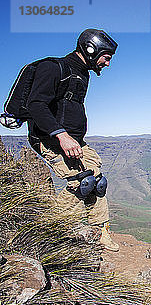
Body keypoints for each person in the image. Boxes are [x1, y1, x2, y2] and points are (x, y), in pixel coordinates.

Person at [26, 28, 119, 251]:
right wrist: (61, 135)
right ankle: (49, 231)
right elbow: (36, 105)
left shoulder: (81, 74)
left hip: (73, 140)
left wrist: (72, 137)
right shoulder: (53, 68)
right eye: (106, 57)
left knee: (97, 181)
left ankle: (101, 231)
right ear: (91, 49)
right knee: (82, 181)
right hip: (51, 139)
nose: (107, 64)